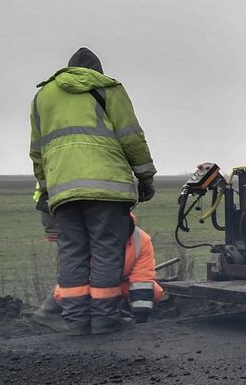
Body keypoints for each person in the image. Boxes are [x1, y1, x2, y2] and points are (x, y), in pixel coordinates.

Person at [30, 48, 156, 334]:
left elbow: (37, 151)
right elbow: (131, 137)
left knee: (72, 252)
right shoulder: (108, 88)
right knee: (106, 251)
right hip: (106, 188)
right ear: (97, 71)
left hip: (63, 190)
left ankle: (75, 321)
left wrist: (47, 186)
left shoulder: (42, 97)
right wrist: (145, 177)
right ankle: (104, 319)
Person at [31, 212, 166, 331]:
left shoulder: (141, 239)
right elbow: (79, 272)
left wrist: (140, 319)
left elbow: (142, 279)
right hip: (91, 280)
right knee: (71, 290)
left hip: (119, 280)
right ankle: (49, 314)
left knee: (155, 292)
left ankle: (116, 312)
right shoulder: (89, 237)